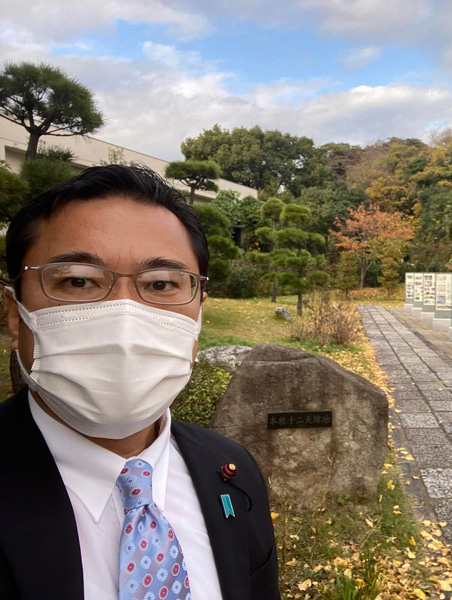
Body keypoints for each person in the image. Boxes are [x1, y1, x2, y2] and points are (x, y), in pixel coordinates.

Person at [0, 165, 280, 600]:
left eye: (162, 283)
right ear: (16, 314)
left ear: (198, 316)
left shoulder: (232, 469)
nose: (125, 320)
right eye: (78, 280)